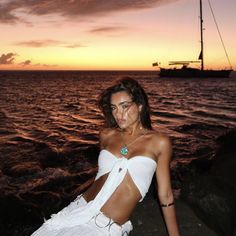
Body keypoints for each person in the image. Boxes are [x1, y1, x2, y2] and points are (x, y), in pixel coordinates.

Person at [32, 77, 180, 236]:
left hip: (105, 227)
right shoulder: (106, 135)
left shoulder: (159, 142)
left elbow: (165, 195)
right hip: (78, 209)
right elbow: (102, 177)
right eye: (114, 108)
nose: (118, 114)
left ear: (140, 106)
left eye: (124, 106)